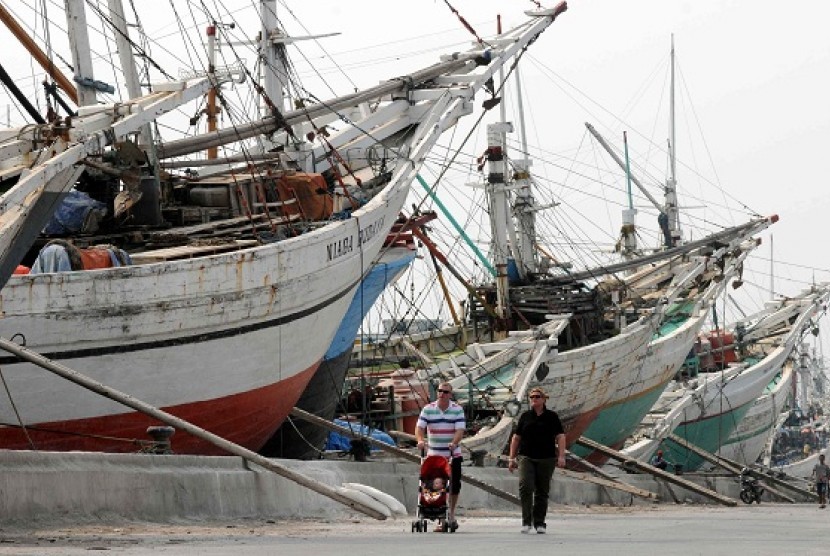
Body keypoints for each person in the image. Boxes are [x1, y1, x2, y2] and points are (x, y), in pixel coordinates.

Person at [507, 387, 566, 535]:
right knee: (525, 486)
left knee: (542, 490)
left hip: (546, 458)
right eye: (531, 397)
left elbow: (560, 436)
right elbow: (516, 438)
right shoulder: (525, 416)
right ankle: (526, 521)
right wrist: (511, 458)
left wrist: (561, 456)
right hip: (526, 456)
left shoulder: (552, 417)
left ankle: (539, 522)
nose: (534, 399)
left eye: (537, 396)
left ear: (544, 399)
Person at [415, 381, 465, 531]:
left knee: (453, 486)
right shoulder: (428, 409)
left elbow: (460, 430)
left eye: (446, 392)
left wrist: (454, 442)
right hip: (434, 455)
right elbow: (420, 427)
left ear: (451, 395)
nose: (442, 394)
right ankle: (436, 514)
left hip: (452, 454)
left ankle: (451, 513)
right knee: (434, 484)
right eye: (440, 391)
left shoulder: (457, 410)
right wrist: (420, 440)